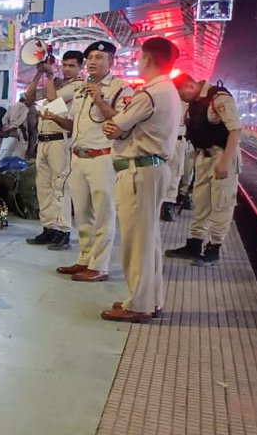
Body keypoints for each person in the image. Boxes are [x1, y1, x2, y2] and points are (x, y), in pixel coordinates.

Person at [100, 37, 181, 321]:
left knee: (137, 241)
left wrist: (118, 128)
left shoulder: (150, 93)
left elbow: (116, 125)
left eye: (139, 57)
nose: (137, 61)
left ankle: (139, 304)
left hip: (138, 171)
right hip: (153, 169)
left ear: (146, 59)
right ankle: (151, 299)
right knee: (149, 240)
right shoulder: (168, 90)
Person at [55, 40, 134, 282]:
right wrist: (53, 118)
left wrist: (100, 100)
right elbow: (73, 121)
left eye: (99, 57)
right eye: (89, 58)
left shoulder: (122, 89)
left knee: (103, 213)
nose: (92, 62)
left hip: (103, 159)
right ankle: (84, 258)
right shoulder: (80, 88)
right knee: (82, 213)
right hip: (79, 156)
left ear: (112, 61)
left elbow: (124, 121)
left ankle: (99, 266)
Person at [166, 73, 242, 266]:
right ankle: (194, 244)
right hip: (203, 155)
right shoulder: (195, 102)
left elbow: (235, 130)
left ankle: (213, 249)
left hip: (222, 154)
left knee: (221, 202)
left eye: (181, 93)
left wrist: (225, 162)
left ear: (190, 85)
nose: (181, 98)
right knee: (202, 202)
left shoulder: (219, 98)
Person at [25, 50, 83, 249]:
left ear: (80, 68)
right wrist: (38, 74)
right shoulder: (56, 82)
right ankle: (49, 227)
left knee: (60, 186)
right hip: (43, 141)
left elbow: (52, 98)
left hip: (60, 141)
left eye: (72, 66)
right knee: (43, 187)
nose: (67, 69)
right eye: (64, 65)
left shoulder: (77, 86)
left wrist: (49, 75)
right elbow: (28, 96)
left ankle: (63, 230)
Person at [160, 73, 191, 221]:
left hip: (176, 141)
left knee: (176, 172)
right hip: (171, 140)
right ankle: (167, 204)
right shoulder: (175, 100)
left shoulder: (183, 101)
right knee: (173, 172)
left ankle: (169, 202)